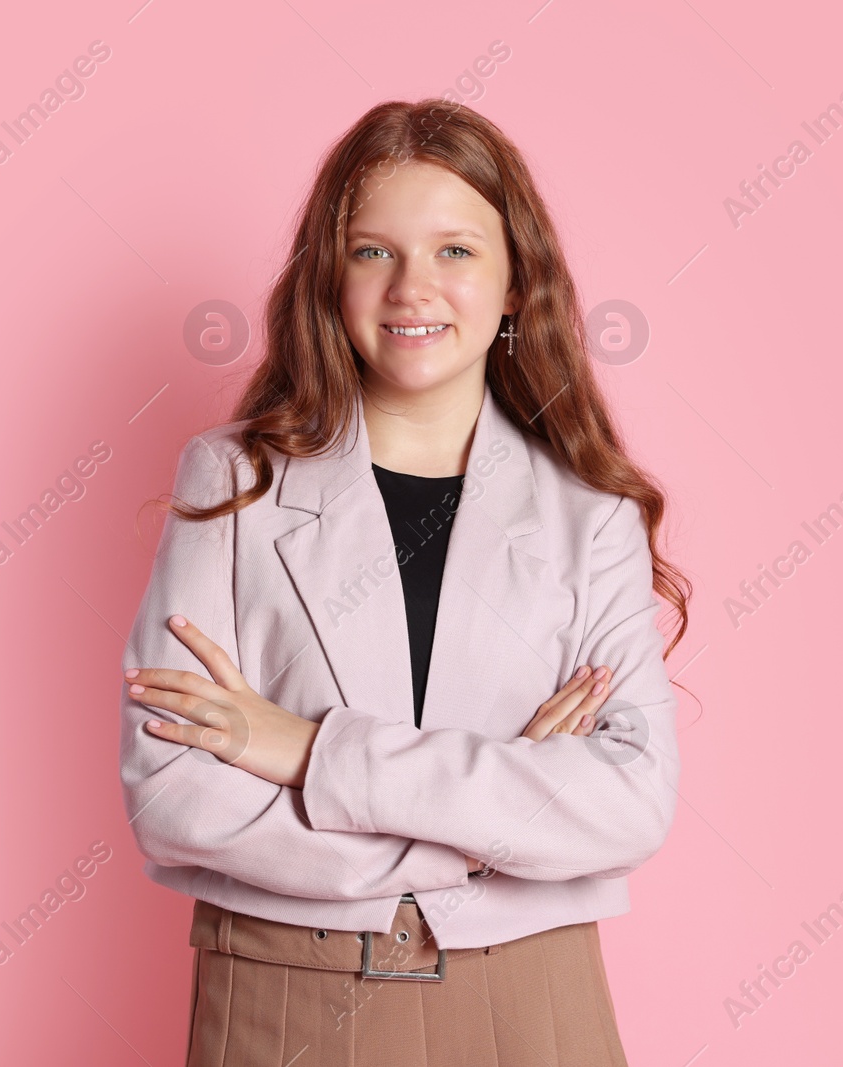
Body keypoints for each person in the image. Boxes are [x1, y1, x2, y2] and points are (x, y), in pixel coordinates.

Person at [118, 98, 691, 1067]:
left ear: (516, 284)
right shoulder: (232, 480)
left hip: (530, 996)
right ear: (328, 279)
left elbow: (628, 803)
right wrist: (485, 834)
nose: (411, 287)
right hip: (281, 992)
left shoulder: (587, 513)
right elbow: (174, 792)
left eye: (456, 251)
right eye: (372, 251)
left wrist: (304, 750)